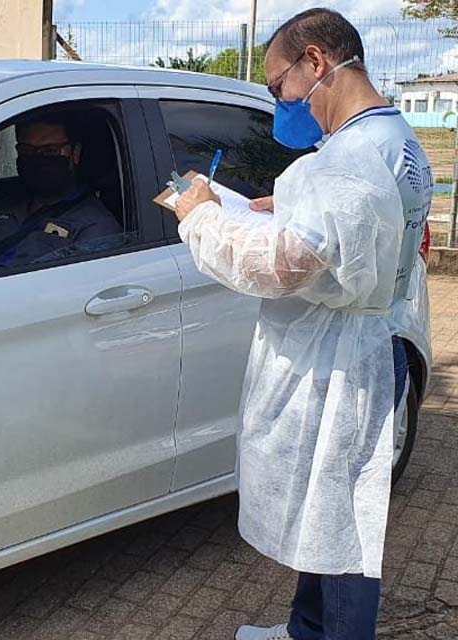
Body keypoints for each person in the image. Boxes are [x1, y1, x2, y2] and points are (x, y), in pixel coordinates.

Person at [173, 8, 433, 640]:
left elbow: (285, 265)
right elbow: (357, 229)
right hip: (373, 338)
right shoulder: (395, 140)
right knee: (328, 506)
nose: (280, 101)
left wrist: (203, 217)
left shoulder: (348, 160)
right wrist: (280, 203)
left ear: (316, 61)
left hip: (345, 358)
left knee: (342, 520)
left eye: (278, 84)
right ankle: (304, 629)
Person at [0, 117, 121, 271]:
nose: (37, 158)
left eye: (50, 150)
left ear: (75, 153)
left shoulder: (95, 227)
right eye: (27, 150)